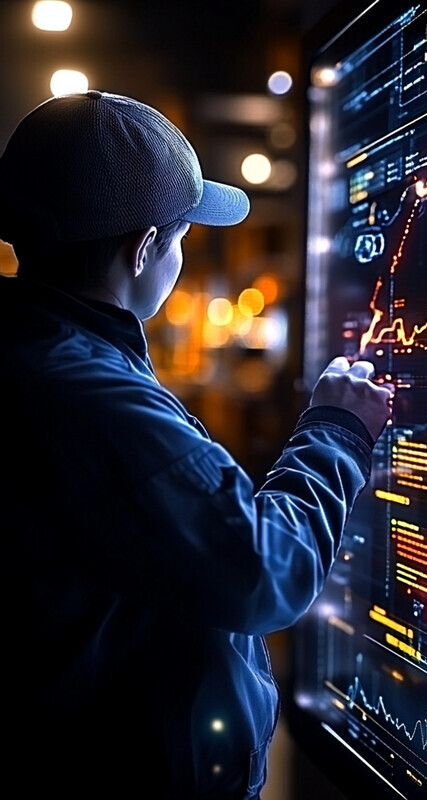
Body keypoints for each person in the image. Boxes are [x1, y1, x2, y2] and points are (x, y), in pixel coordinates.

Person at [0, 90, 394, 798]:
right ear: (145, 246)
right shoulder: (85, 394)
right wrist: (338, 429)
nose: (178, 255)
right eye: (180, 236)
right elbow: (258, 570)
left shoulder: (44, 353)